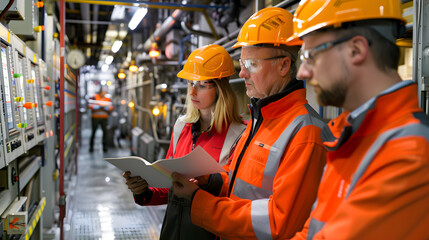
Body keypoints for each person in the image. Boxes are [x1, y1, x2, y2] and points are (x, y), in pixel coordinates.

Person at [171, 7, 327, 239]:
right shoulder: (261, 120)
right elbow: (241, 184)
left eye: (251, 65)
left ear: (284, 66)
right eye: (242, 64)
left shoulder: (306, 133)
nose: (242, 73)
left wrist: (199, 202)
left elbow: (279, 222)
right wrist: (212, 181)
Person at [284, 0, 429, 239]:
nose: (302, 73)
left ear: (356, 50)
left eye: (310, 55)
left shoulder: (409, 152)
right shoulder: (351, 134)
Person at [123, 44, 246, 240]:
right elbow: (169, 186)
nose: (192, 92)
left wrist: (207, 183)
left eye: (202, 85)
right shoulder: (182, 127)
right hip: (173, 230)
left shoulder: (239, 134)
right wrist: (144, 191)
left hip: (209, 233)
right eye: (190, 84)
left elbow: (237, 195)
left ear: (220, 88)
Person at [88, 88, 113, 152]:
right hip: (95, 117)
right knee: (94, 132)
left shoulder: (107, 98)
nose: (104, 93)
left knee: (105, 132)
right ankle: (91, 147)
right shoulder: (94, 97)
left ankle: (105, 147)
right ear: (100, 92)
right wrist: (98, 107)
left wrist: (106, 108)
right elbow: (90, 105)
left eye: (105, 92)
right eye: (103, 91)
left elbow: (111, 107)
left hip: (104, 118)